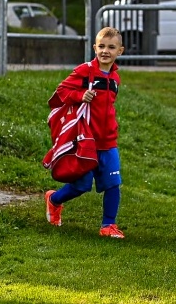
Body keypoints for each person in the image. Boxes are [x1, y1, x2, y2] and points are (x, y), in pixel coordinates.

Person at [44, 28, 125, 238]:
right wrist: (80, 95)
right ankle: (54, 200)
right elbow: (61, 92)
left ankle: (108, 225)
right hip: (85, 141)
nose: (105, 51)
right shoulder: (84, 71)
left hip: (109, 141)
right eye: (101, 46)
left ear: (120, 51)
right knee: (81, 186)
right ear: (94, 48)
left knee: (113, 183)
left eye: (111, 47)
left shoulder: (115, 77)